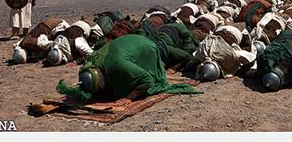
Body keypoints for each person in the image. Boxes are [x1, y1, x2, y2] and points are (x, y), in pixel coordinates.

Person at [57, 34, 196, 101]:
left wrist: (129, 97)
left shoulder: (119, 66)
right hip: (128, 42)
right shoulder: (90, 65)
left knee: (148, 76)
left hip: (147, 47)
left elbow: (146, 80)